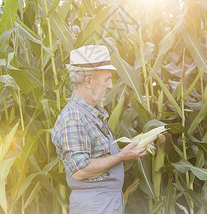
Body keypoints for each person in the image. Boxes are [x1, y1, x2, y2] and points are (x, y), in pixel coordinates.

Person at [51, 45, 148, 214]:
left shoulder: (91, 114)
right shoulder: (74, 118)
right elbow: (80, 170)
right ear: (88, 81)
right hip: (95, 206)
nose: (111, 86)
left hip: (105, 203)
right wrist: (121, 157)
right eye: (107, 79)